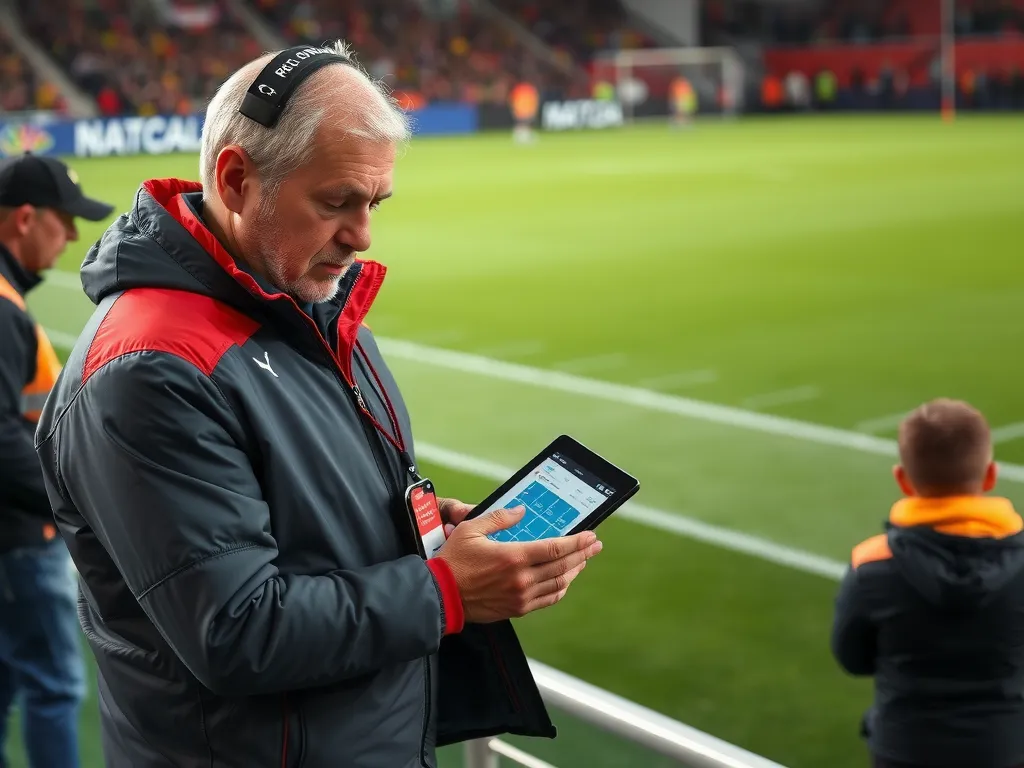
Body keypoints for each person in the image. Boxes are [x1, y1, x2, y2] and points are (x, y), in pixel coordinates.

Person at [34, 41, 603, 767]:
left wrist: (424, 530)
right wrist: (443, 589)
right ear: (237, 180)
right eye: (337, 202)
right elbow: (237, 631)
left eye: (375, 203)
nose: (362, 235)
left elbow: (308, 513)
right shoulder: (151, 368)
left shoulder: (304, 301)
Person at [831, 398, 1024, 768]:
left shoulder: (871, 563)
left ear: (902, 479)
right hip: (1005, 749)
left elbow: (852, 658)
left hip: (906, 749)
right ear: (990, 476)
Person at [0, 152, 114, 767]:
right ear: (24, 219)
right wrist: (71, 506)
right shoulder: (2, 307)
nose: (71, 235)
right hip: (19, 539)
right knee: (53, 686)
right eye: (62, 220)